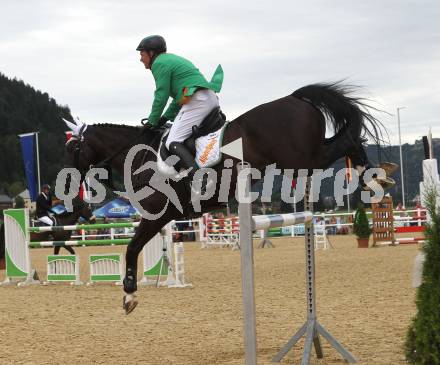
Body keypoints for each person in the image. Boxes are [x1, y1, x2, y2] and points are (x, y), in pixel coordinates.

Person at [136, 35, 224, 192]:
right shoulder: (170, 60)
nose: (141, 59)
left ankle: (200, 179)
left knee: (172, 141)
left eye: (142, 54)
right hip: (208, 97)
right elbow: (179, 98)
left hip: (197, 100)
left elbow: (161, 94)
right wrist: (164, 118)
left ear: (151, 52)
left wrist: (152, 121)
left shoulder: (159, 63)